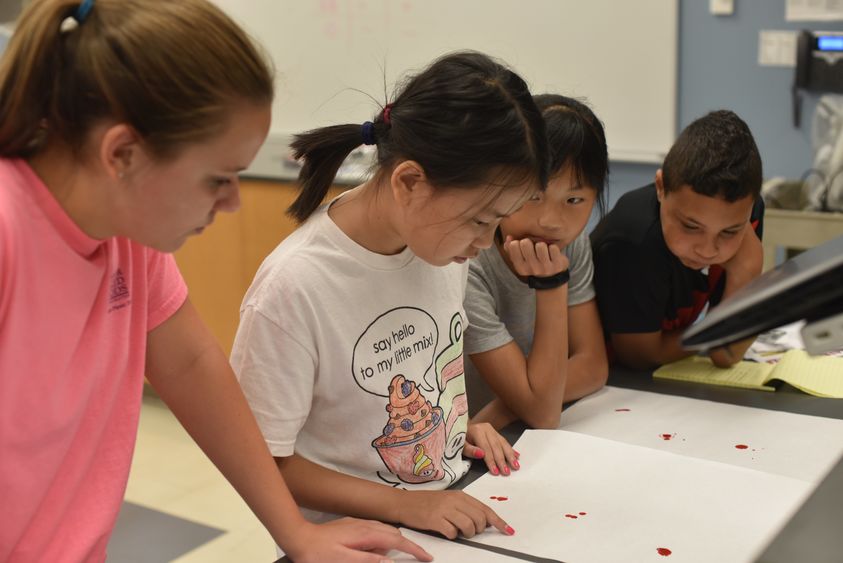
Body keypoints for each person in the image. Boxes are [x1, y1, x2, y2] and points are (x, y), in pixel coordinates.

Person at [0, 1, 432, 562]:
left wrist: (295, 533)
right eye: (217, 179)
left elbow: (193, 367)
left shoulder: (127, 233)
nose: (230, 202)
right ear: (123, 154)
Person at [231, 51, 549, 543]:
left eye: (497, 222)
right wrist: (408, 503)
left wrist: (450, 430)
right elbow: (263, 462)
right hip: (351, 540)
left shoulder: (441, 249)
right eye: (479, 221)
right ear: (409, 182)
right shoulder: (294, 288)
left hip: (438, 512)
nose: (486, 244)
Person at [464, 94, 610, 431]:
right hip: (463, 449)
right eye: (533, 196)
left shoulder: (570, 243)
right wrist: (551, 284)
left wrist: (509, 406)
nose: (551, 221)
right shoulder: (468, 258)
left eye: (574, 199)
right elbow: (544, 414)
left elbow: (593, 365)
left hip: (504, 428)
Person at [590, 110, 765, 370]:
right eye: (691, 226)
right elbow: (639, 357)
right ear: (661, 188)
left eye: (729, 232)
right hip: (612, 383)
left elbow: (725, 354)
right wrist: (715, 332)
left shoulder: (745, 215)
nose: (707, 250)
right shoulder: (632, 240)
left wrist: (746, 273)